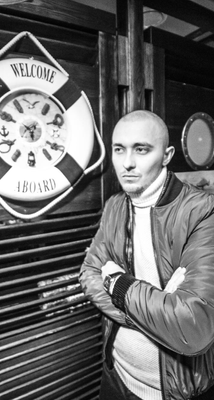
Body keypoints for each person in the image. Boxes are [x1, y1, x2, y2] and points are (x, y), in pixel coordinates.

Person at [79, 110, 214, 400]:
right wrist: (155, 312)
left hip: (175, 391)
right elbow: (88, 274)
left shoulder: (203, 211)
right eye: (119, 149)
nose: (127, 162)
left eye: (141, 149)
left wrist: (117, 284)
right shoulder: (115, 206)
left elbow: (194, 327)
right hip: (116, 374)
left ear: (166, 155)